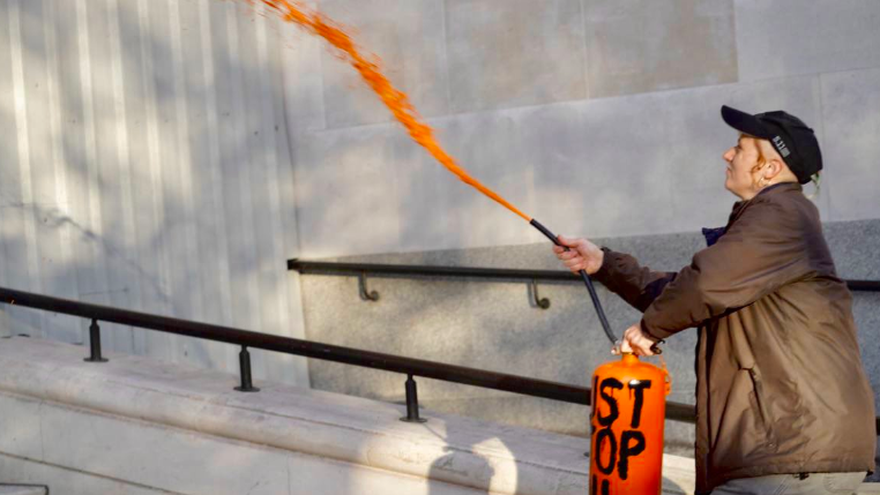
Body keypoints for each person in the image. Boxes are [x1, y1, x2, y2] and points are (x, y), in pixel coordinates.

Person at [554, 105, 876, 495]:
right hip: (784, 453)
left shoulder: (783, 213)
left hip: (791, 455)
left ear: (769, 169)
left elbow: (704, 287)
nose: (727, 154)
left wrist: (647, 330)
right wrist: (603, 263)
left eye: (740, 147)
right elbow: (687, 290)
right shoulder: (770, 224)